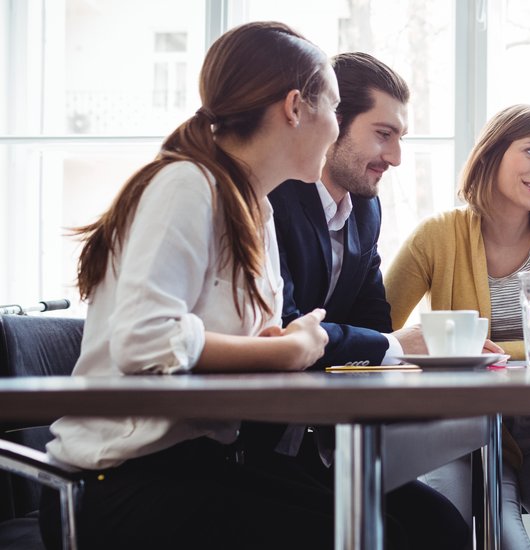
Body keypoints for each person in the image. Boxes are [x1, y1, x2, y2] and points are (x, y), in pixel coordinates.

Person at [38, 22, 342, 549]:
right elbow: (144, 341)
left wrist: (272, 343)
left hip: (197, 466)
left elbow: (228, 342)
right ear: (295, 107)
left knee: (387, 526)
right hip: (119, 483)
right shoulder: (186, 184)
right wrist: (286, 351)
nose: (337, 127)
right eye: (334, 107)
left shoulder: (256, 208)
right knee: (347, 533)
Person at [239, 51, 468, 548]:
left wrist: (410, 348)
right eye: (383, 134)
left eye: (400, 138)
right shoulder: (272, 199)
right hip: (255, 448)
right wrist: (395, 345)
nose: (396, 157)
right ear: (333, 121)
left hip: (327, 447)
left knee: (445, 529)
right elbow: (288, 325)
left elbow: (372, 319)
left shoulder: (365, 209)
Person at [384, 104, 530, 550]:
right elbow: (375, 333)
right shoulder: (436, 235)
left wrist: (484, 353)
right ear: (492, 152)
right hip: (456, 433)